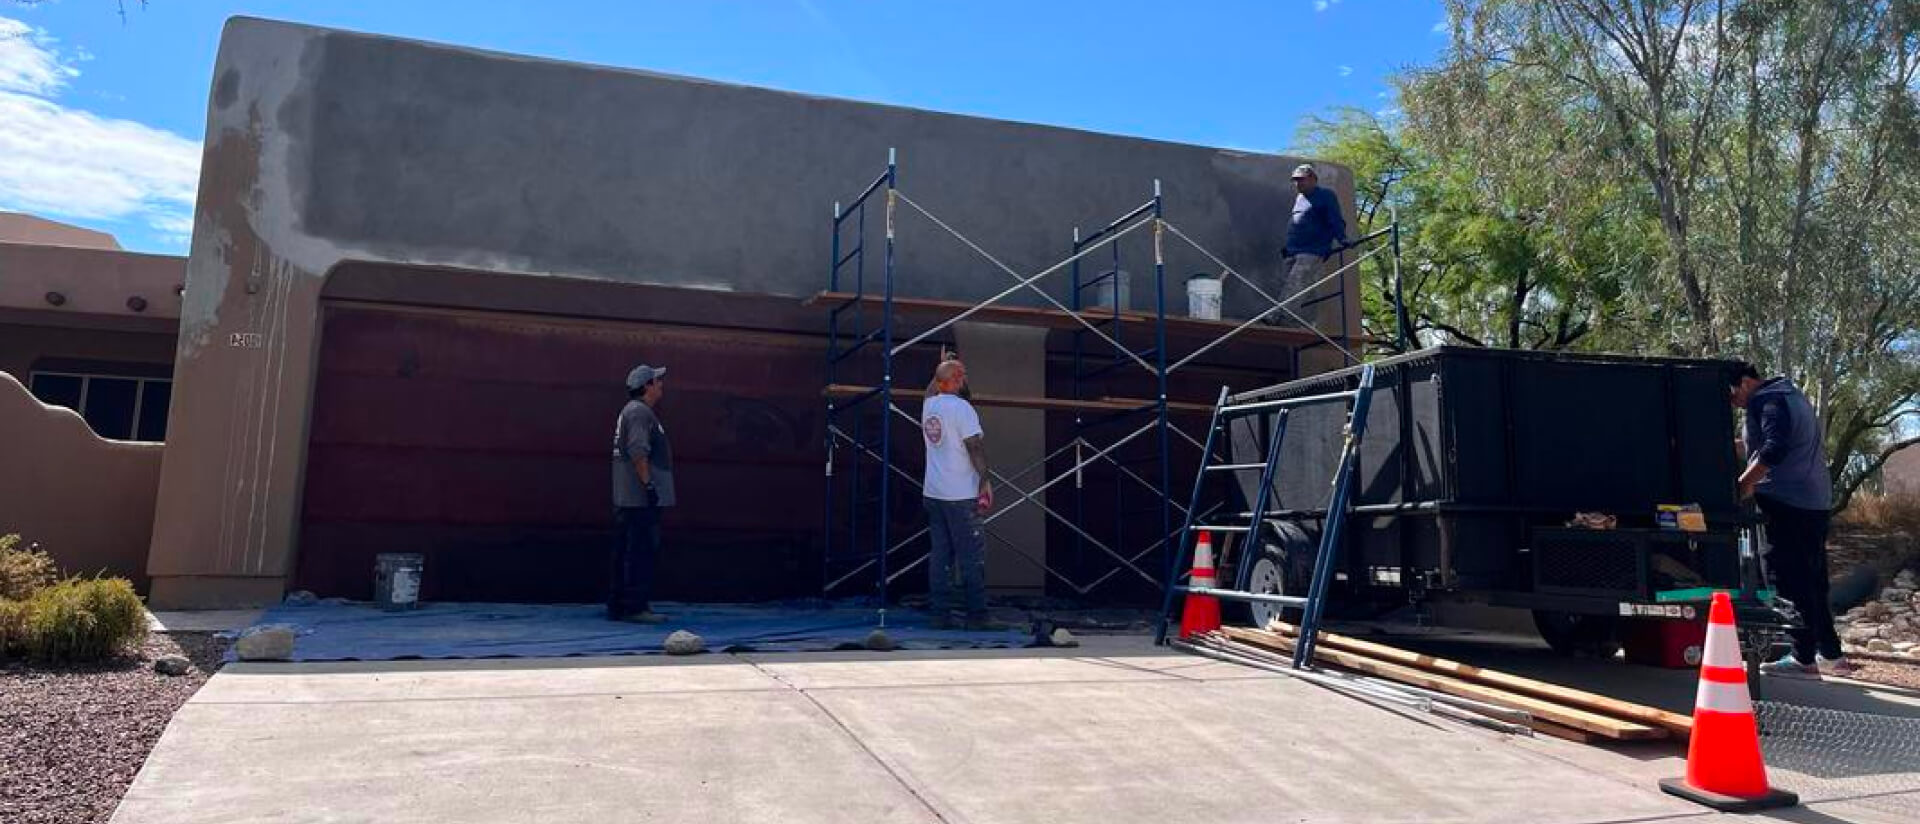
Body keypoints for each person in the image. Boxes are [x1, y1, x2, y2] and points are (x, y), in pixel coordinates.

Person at [1730, 362, 1855, 676]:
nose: (1731, 401)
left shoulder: (1767, 401)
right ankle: (1830, 653)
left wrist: (1743, 485)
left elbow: (1774, 449)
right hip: (1813, 499)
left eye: (1730, 392)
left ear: (1745, 382)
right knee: (1813, 579)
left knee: (1789, 577)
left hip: (1787, 502)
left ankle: (1802, 657)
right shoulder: (1790, 394)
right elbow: (1761, 444)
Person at [921, 359, 993, 629]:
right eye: (962, 376)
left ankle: (940, 615)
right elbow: (974, 446)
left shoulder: (929, 406)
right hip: (961, 493)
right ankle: (977, 615)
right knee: (971, 555)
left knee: (940, 555)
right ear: (958, 378)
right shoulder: (962, 408)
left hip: (934, 492)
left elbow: (929, 390)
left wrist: (940, 367)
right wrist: (985, 480)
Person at [609, 364, 674, 623]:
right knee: (640, 551)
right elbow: (638, 450)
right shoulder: (639, 413)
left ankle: (619, 604)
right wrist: (649, 486)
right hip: (638, 500)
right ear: (646, 386)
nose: (661, 385)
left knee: (626, 550)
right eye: (657, 381)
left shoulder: (633, 412)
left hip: (629, 499)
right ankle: (635, 607)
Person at [1271, 163, 1349, 325]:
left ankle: (1278, 317)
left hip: (1313, 249)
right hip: (1293, 250)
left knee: (1296, 283)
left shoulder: (1326, 196)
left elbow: (1335, 219)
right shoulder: (1300, 199)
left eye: (1302, 180)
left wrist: (1342, 238)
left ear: (1313, 179)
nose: (1298, 184)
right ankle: (1290, 320)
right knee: (1284, 284)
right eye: (1296, 181)